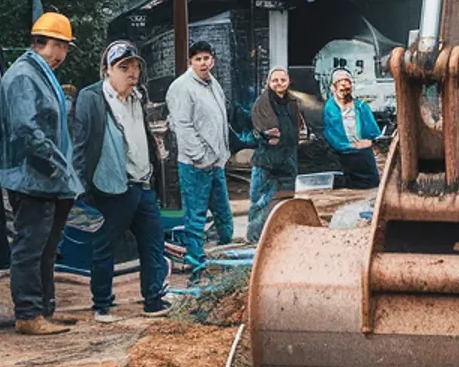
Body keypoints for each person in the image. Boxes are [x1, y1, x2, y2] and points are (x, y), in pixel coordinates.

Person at [70, 40, 171, 321]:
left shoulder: (138, 96)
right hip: (111, 186)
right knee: (105, 245)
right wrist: (79, 187)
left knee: (153, 242)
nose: (132, 72)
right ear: (108, 70)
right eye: (124, 67)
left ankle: (153, 298)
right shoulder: (92, 98)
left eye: (135, 66)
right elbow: (80, 144)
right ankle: (102, 303)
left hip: (142, 182)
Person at [0, 11, 83, 336]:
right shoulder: (24, 76)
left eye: (65, 48)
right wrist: (57, 163)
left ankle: (44, 309)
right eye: (58, 46)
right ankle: (28, 313)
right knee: (30, 247)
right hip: (32, 178)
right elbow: (26, 129)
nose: (62, 54)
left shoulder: (41, 74)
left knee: (46, 248)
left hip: (49, 179)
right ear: (42, 43)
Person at [165, 40, 235, 277]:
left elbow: (220, 119)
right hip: (195, 166)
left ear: (212, 60)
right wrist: (200, 156)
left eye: (207, 58)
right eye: (198, 59)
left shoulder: (213, 83)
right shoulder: (181, 87)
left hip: (216, 164)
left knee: (225, 219)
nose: (203, 63)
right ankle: (196, 271)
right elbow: (183, 125)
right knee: (195, 221)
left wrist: (221, 155)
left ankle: (226, 269)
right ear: (190, 62)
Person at [248, 67, 307, 243]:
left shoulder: (293, 103)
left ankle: (280, 237)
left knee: (284, 202)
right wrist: (266, 135)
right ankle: (255, 240)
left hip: (288, 162)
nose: (279, 83)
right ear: (269, 82)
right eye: (275, 80)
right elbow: (256, 131)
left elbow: (298, 129)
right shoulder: (261, 104)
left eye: (282, 80)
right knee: (260, 203)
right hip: (266, 162)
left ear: (288, 82)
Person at [322, 68, 382, 188]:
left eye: (347, 87)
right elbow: (331, 134)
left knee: (371, 184)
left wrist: (370, 141)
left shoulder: (361, 107)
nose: (344, 90)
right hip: (341, 155)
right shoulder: (330, 108)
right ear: (333, 88)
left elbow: (373, 133)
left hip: (363, 154)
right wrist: (350, 146)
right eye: (340, 86)